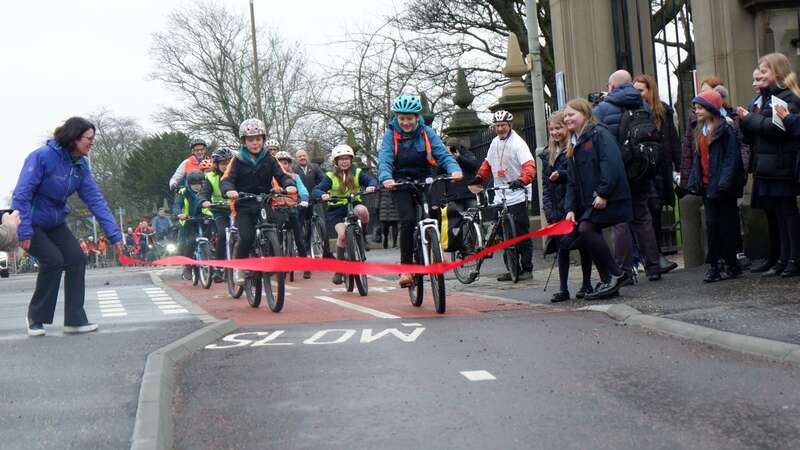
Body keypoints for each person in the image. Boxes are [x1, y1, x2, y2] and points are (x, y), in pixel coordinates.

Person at [12, 116, 123, 336]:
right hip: (30, 222)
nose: (92, 143)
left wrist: (114, 235)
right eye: (88, 139)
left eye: (93, 139)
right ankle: (36, 318)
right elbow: (21, 195)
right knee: (53, 260)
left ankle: (74, 320)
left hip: (54, 222)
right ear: (74, 138)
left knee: (76, 258)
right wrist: (24, 229)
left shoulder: (80, 166)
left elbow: (96, 200)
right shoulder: (42, 157)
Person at [378, 94, 463, 288]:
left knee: (435, 211)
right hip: (399, 181)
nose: (406, 122)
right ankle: (407, 268)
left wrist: (454, 169)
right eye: (402, 118)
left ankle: (436, 249)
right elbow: (385, 159)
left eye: (410, 118)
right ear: (397, 118)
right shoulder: (390, 135)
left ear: (417, 118)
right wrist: (386, 178)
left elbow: (442, 153)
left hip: (425, 177)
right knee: (407, 220)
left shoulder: (427, 132)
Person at [594, 69, 661, 282]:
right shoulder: (644, 105)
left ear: (612, 87)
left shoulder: (604, 108)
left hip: (619, 171)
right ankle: (653, 267)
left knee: (620, 221)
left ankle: (624, 271)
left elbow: (601, 142)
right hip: (641, 168)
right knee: (643, 218)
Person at [738, 52, 800, 278]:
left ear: (777, 72)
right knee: (778, 213)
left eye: (764, 71)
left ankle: (794, 258)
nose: (759, 76)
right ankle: (783, 257)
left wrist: (748, 119)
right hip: (768, 164)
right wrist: (745, 122)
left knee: (787, 212)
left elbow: (775, 128)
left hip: (781, 164)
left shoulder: (786, 98)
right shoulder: (764, 98)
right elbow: (755, 133)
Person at [563, 99, 632, 299]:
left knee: (587, 229)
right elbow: (572, 182)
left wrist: (603, 193)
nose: (567, 118)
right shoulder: (573, 143)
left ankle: (616, 275)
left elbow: (611, 164)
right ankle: (608, 279)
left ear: (584, 114)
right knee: (585, 231)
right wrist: (570, 208)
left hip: (609, 197)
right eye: (566, 115)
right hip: (590, 200)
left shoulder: (600, 134)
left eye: (571, 114)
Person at [220, 118, 296, 285]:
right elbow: (227, 179)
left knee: (273, 229)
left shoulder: (269, 158)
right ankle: (239, 267)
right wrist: (229, 190)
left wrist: (289, 185)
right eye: (250, 139)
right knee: (246, 237)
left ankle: (270, 259)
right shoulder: (238, 159)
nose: (255, 143)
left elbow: (282, 175)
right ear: (244, 141)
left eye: (258, 139)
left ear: (263, 139)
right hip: (244, 204)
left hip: (264, 201)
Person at [467, 110, 536, 281]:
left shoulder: (518, 143)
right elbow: (488, 163)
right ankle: (512, 268)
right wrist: (479, 177)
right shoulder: (494, 142)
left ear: (510, 125)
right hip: (500, 193)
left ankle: (527, 268)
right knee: (504, 235)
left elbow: (529, 166)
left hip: (517, 193)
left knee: (520, 232)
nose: (500, 129)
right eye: (497, 126)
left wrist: (522, 179)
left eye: (503, 125)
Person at [686, 90, 746, 282]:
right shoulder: (699, 130)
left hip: (721, 187)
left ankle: (731, 262)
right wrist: (695, 181)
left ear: (711, 109)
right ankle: (715, 264)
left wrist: (724, 183)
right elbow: (698, 160)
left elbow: (731, 159)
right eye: (696, 107)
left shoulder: (724, 129)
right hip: (707, 185)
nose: (697, 111)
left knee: (726, 225)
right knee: (712, 225)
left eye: (701, 107)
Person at [539, 111, 593, 302]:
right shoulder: (548, 154)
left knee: (583, 244)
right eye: (552, 129)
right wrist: (549, 210)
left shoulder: (574, 149)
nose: (555, 132)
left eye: (558, 128)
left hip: (574, 205)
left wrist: (562, 175)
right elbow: (545, 186)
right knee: (562, 248)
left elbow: (577, 177)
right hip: (556, 207)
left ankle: (587, 283)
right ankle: (563, 287)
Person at [632, 74, 681, 274]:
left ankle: (657, 254)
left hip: (661, 168)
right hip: (644, 169)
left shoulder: (664, 111)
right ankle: (652, 256)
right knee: (647, 212)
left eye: (641, 90)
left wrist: (678, 167)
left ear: (650, 90)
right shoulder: (633, 112)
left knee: (657, 211)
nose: (638, 94)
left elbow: (673, 140)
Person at [313, 144, 378, 284]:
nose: (344, 161)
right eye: (341, 159)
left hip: (353, 204)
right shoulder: (330, 176)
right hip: (336, 210)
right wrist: (323, 195)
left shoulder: (358, 172)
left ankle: (363, 235)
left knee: (363, 211)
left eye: (347, 158)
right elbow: (317, 190)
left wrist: (372, 185)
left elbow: (371, 180)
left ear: (351, 160)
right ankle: (340, 269)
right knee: (342, 236)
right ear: (336, 161)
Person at [274, 151, 312, 279]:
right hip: (276, 209)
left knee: (298, 237)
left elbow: (302, 190)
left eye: (285, 163)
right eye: (279, 163)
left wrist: (304, 200)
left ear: (289, 164)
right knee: (275, 235)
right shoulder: (271, 178)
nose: (282, 166)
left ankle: (306, 266)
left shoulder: (295, 177)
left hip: (292, 208)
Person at [199, 148, 233, 281]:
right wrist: (204, 201)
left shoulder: (236, 174)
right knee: (223, 235)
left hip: (236, 210)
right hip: (220, 211)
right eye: (223, 163)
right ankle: (219, 269)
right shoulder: (211, 177)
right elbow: (204, 193)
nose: (226, 166)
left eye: (228, 163)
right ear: (216, 164)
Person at [174, 170, 213, 280]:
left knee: (212, 237)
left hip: (203, 219)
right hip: (188, 221)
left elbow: (211, 204)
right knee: (188, 242)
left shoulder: (206, 192)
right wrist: (179, 214)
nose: (196, 187)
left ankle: (210, 259)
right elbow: (177, 205)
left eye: (199, 184)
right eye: (193, 184)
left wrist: (213, 214)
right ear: (189, 184)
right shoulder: (183, 192)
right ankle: (187, 267)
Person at [291, 148, 326, 247]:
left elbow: (323, 180)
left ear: (307, 156)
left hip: (315, 199)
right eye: (299, 156)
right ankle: (304, 245)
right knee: (301, 223)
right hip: (302, 200)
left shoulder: (315, 167)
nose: (302, 157)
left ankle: (326, 248)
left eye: (304, 155)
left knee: (321, 222)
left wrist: (322, 192)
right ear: (296, 159)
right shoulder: (293, 170)